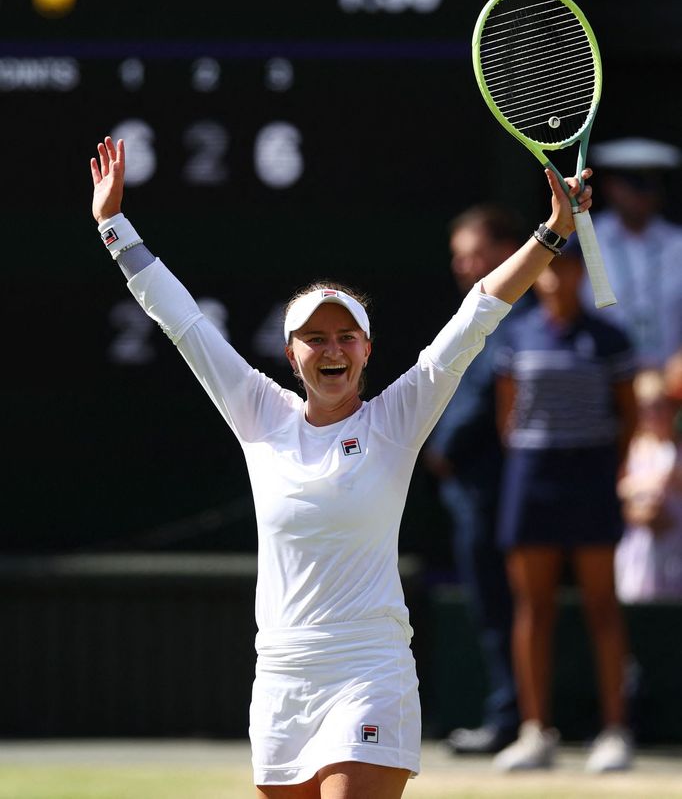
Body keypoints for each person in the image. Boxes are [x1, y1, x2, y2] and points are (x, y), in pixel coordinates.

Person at [90, 135, 593, 798]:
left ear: (366, 350)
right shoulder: (258, 413)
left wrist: (551, 234)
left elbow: (477, 317)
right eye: (315, 338)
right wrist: (112, 226)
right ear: (291, 354)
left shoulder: (395, 418)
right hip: (281, 680)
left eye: (345, 336)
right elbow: (182, 320)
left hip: (370, 674)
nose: (332, 349)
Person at [491, 234, 639, 774]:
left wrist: (606, 467)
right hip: (531, 481)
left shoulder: (609, 338)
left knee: (603, 608)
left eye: (566, 267)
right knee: (533, 609)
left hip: (591, 478)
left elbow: (628, 418)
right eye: (549, 268)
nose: (555, 276)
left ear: (581, 273)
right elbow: (508, 417)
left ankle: (616, 731)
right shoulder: (518, 334)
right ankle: (535, 732)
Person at [422, 205, 530, 754]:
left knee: (509, 606)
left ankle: (515, 719)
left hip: (506, 490)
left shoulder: (518, 314)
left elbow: (490, 396)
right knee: (495, 606)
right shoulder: (481, 313)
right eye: (458, 255)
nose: (463, 265)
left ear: (506, 249)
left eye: (474, 252)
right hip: (478, 490)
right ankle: (513, 715)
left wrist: (443, 447)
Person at [578, 137, 682, 368]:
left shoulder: (678, 243)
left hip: (669, 385)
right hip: (601, 377)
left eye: (651, 185)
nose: (642, 195)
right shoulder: (585, 238)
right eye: (633, 184)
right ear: (610, 186)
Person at [615, 368, 682, 601]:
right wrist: (638, 507)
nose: (654, 415)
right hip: (640, 553)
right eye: (645, 408)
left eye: (660, 406)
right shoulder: (630, 451)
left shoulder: (677, 451)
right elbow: (620, 490)